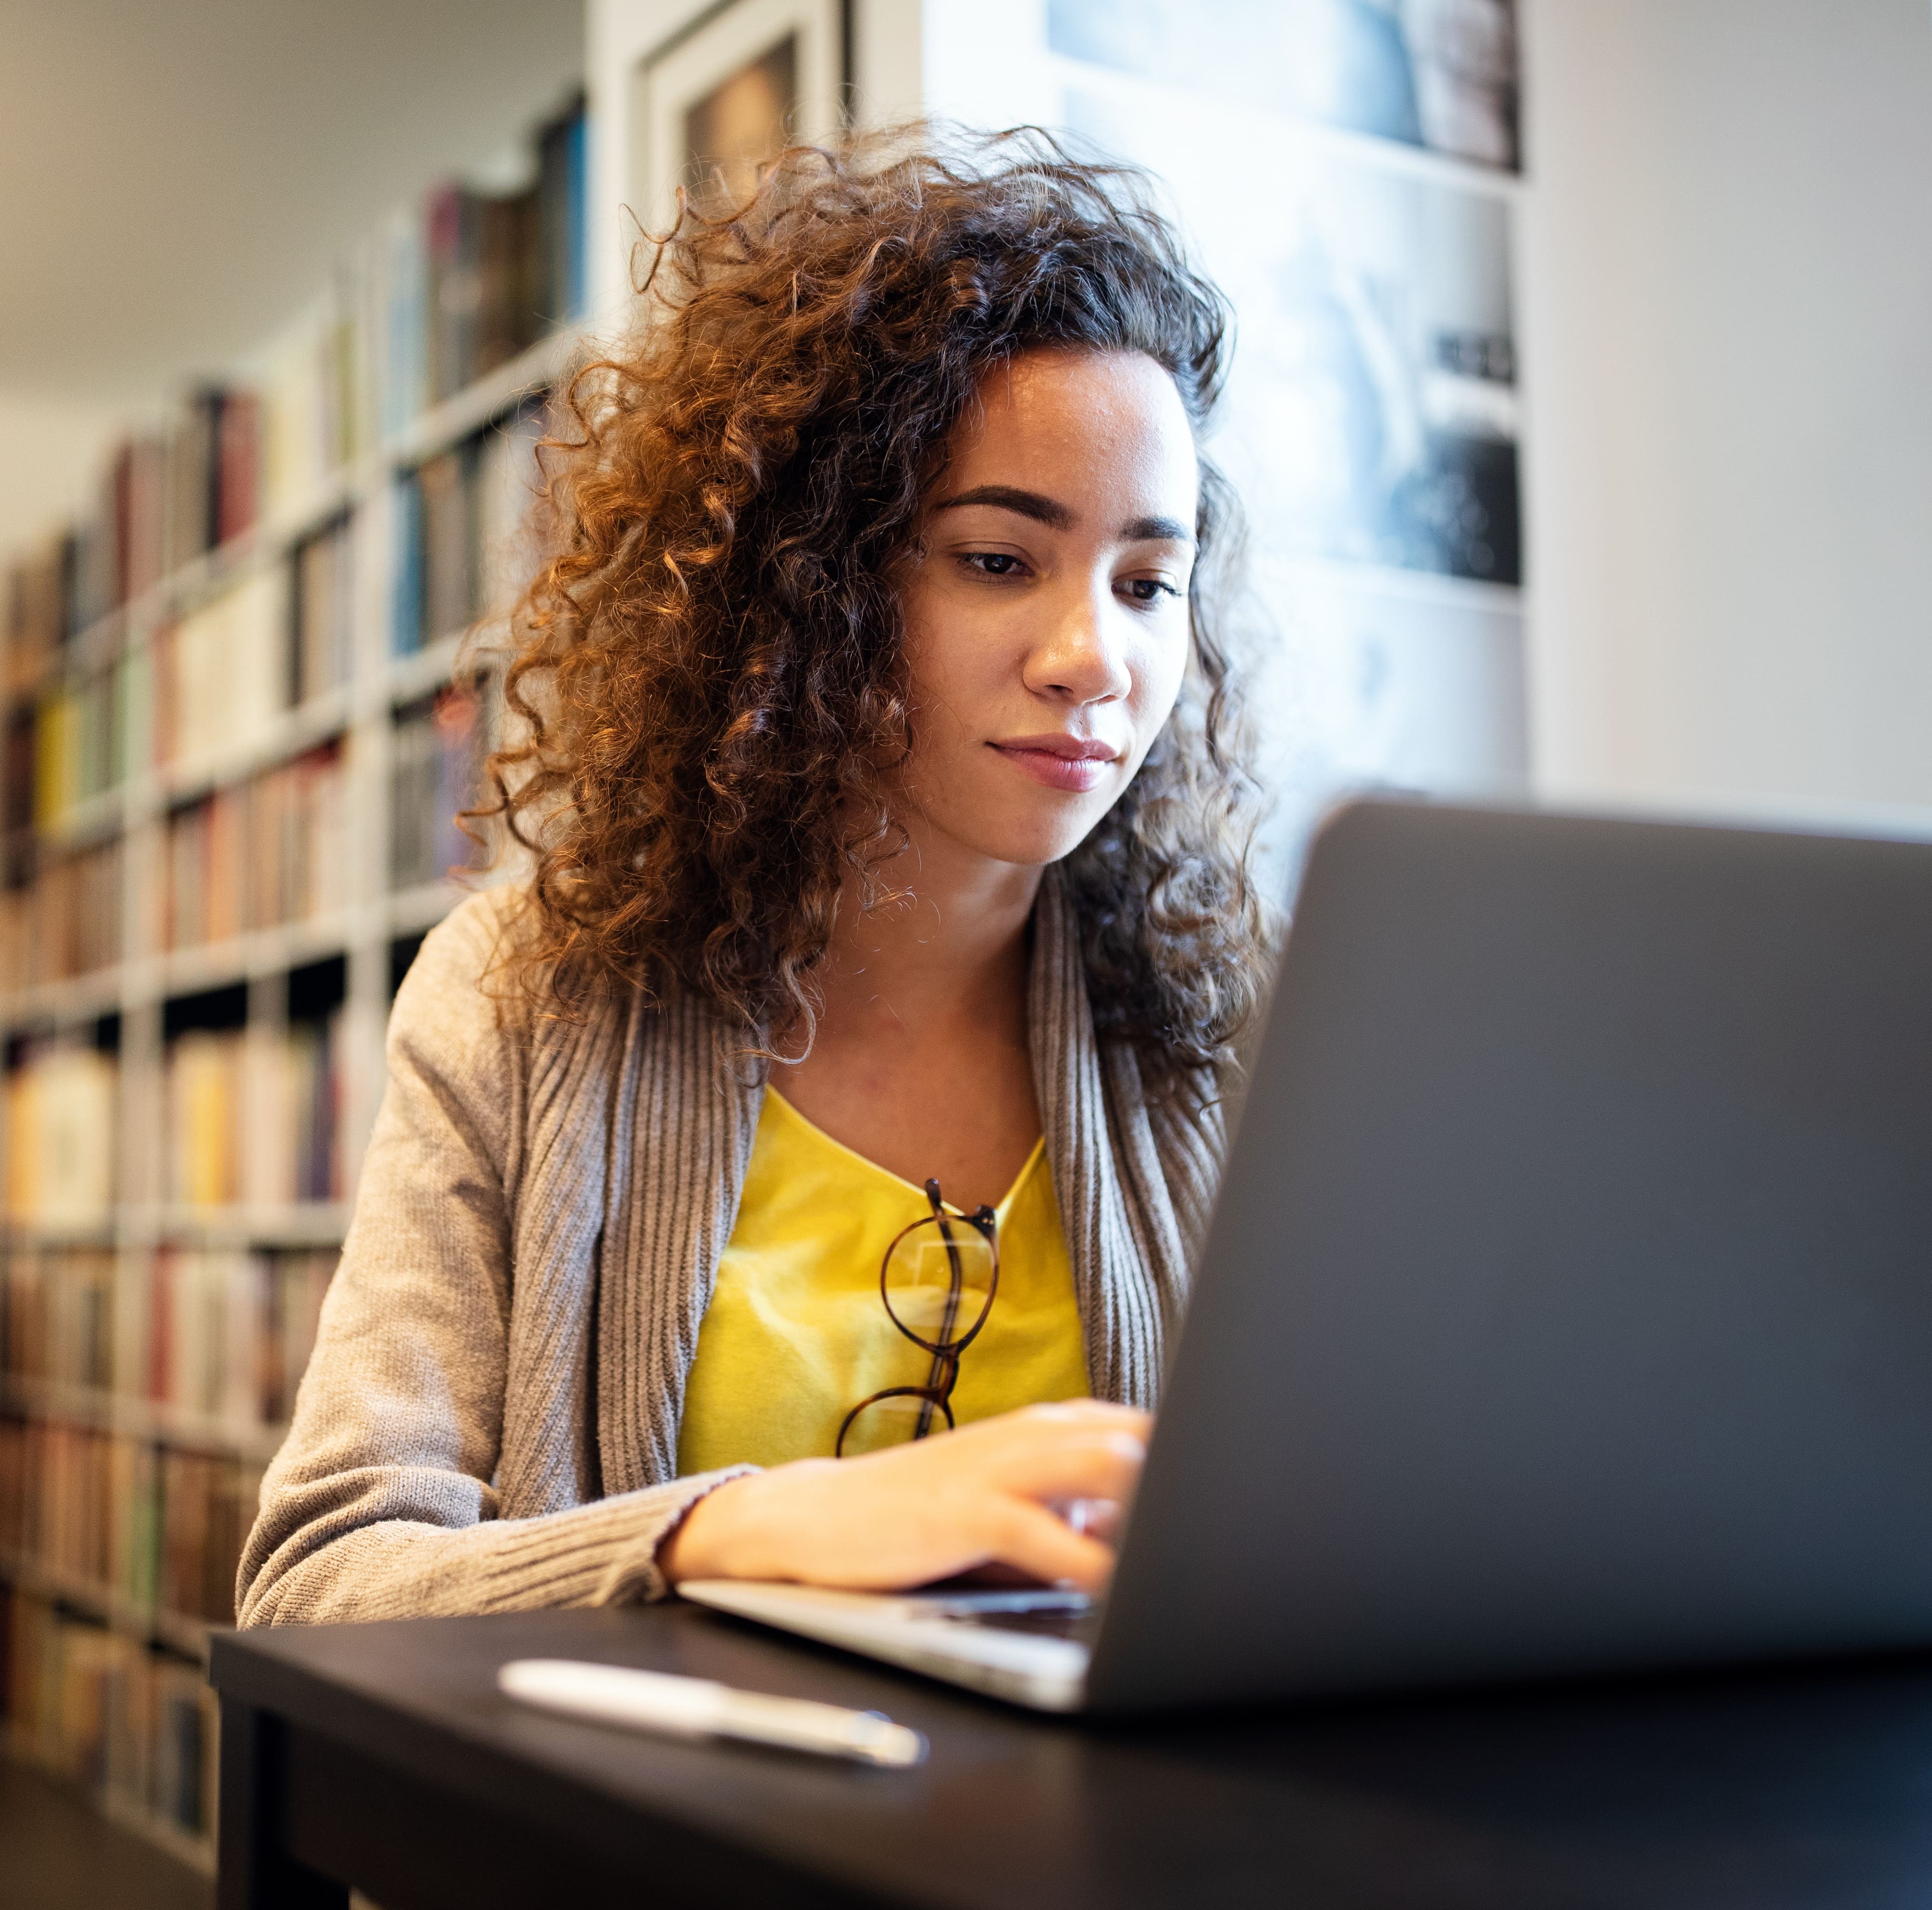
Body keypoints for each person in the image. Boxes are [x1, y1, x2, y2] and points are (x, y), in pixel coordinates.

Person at [237, 130, 1269, 1624]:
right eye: (996, 559)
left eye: (1147, 584)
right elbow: (317, 1581)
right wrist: (741, 1532)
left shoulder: (1234, 1025)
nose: (1095, 660)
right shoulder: (523, 992)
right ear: (813, 580)